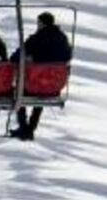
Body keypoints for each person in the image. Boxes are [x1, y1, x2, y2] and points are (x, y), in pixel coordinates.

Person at [10, 11, 72, 140]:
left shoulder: (36, 39)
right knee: (42, 91)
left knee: (20, 92)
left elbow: (16, 56)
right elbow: (68, 56)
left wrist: (29, 58)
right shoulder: (63, 38)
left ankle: (24, 126)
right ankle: (31, 128)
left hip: (33, 84)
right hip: (53, 86)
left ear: (41, 23)